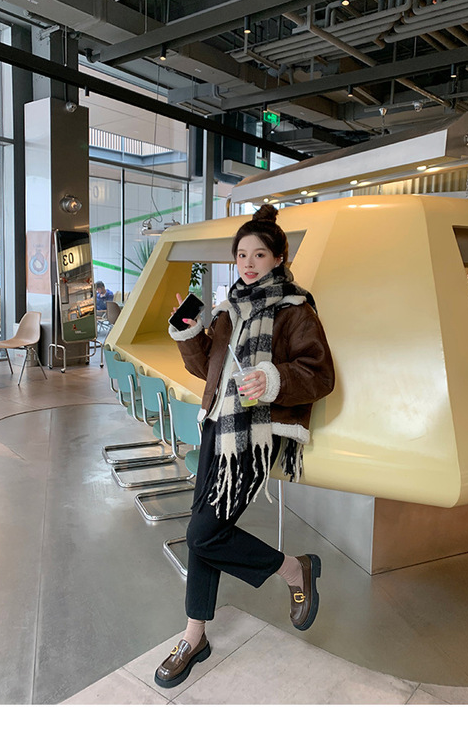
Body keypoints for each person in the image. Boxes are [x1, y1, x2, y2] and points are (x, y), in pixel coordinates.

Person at [154, 204, 335, 689]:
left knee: (202, 535)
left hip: (256, 437)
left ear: (278, 257)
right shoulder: (228, 309)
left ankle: (293, 570)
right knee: (202, 532)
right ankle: (194, 636)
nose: (248, 263)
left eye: (259, 254)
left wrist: (273, 380)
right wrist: (190, 332)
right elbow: (207, 370)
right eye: (241, 255)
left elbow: (319, 375)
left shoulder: (295, 309)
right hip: (217, 427)